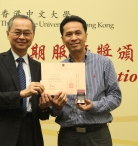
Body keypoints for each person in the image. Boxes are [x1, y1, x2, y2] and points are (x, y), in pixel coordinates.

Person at [0, 14, 66, 146]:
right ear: (8, 34)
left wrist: (43, 107)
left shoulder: (39, 67)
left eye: (27, 33)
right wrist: (22, 93)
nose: (22, 37)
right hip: (1, 132)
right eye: (17, 32)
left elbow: (43, 115)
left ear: (33, 36)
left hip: (31, 132)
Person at [51, 15, 122, 146]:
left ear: (86, 36)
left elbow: (116, 97)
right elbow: (54, 110)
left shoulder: (104, 63)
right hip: (68, 136)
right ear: (63, 39)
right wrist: (56, 106)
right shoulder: (57, 70)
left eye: (78, 33)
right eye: (68, 34)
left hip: (98, 135)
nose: (73, 38)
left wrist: (93, 106)